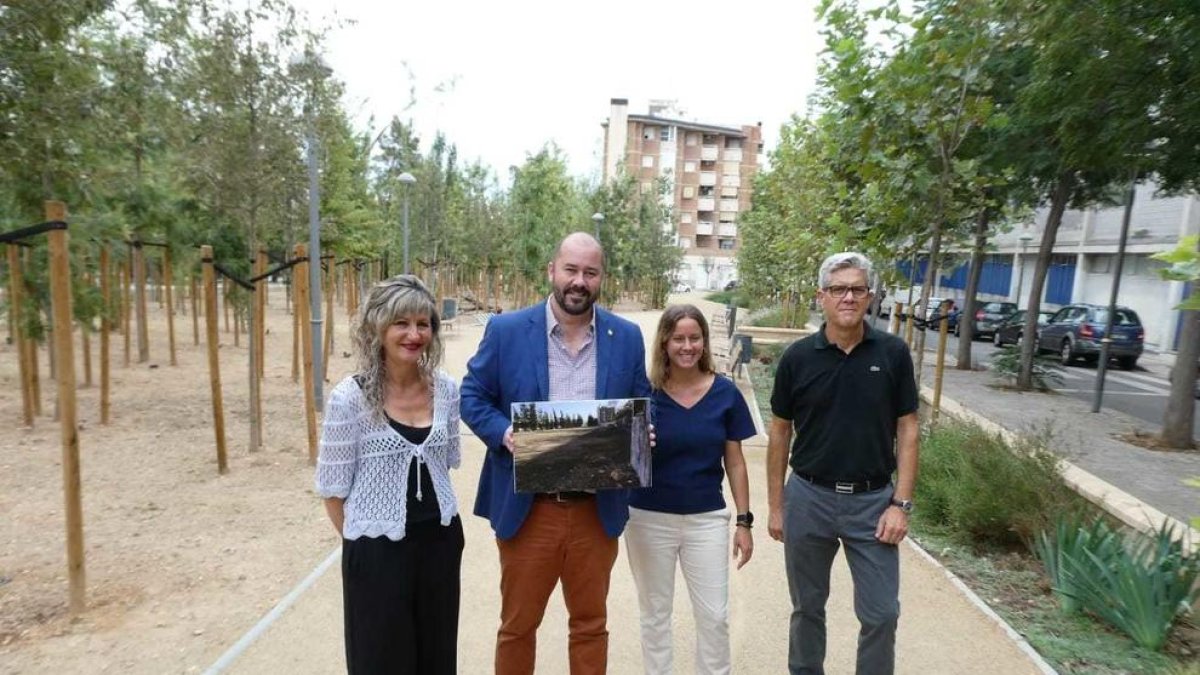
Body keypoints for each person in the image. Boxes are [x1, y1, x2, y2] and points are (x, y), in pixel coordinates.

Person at [460, 231, 651, 675]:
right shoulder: (506, 331)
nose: (579, 281)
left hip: (595, 509)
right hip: (530, 511)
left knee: (590, 625)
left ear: (601, 278)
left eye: (590, 272)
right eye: (571, 269)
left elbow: (644, 398)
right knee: (517, 627)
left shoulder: (625, 336)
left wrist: (646, 431)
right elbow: (472, 395)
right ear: (551, 271)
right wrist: (504, 432)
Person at [766, 252, 919, 675]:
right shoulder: (798, 358)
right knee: (808, 608)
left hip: (874, 504)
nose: (848, 297)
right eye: (838, 289)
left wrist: (901, 504)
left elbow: (908, 429)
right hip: (808, 498)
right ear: (822, 297)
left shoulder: (892, 353)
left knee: (881, 613)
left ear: (870, 296)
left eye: (857, 288)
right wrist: (777, 505)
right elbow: (779, 432)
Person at [314, 275, 464, 675]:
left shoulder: (447, 390)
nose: (414, 334)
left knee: (436, 656)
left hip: (441, 543)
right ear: (378, 327)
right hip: (377, 553)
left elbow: (446, 461)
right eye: (402, 323)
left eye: (423, 323)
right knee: (380, 659)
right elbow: (333, 493)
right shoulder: (350, 398)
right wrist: (369, 544)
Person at [625, 304, 756, 675]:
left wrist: (744, 522)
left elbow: (735, 461)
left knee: (715, 616)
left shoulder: (725, 394)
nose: (687, 346)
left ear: (704, 341)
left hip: (707, 520)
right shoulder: (644, 393)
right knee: (655, 615)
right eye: (678, 338)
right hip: (648, 518)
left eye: (694, 338)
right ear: (664, 342)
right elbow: (618, 453)